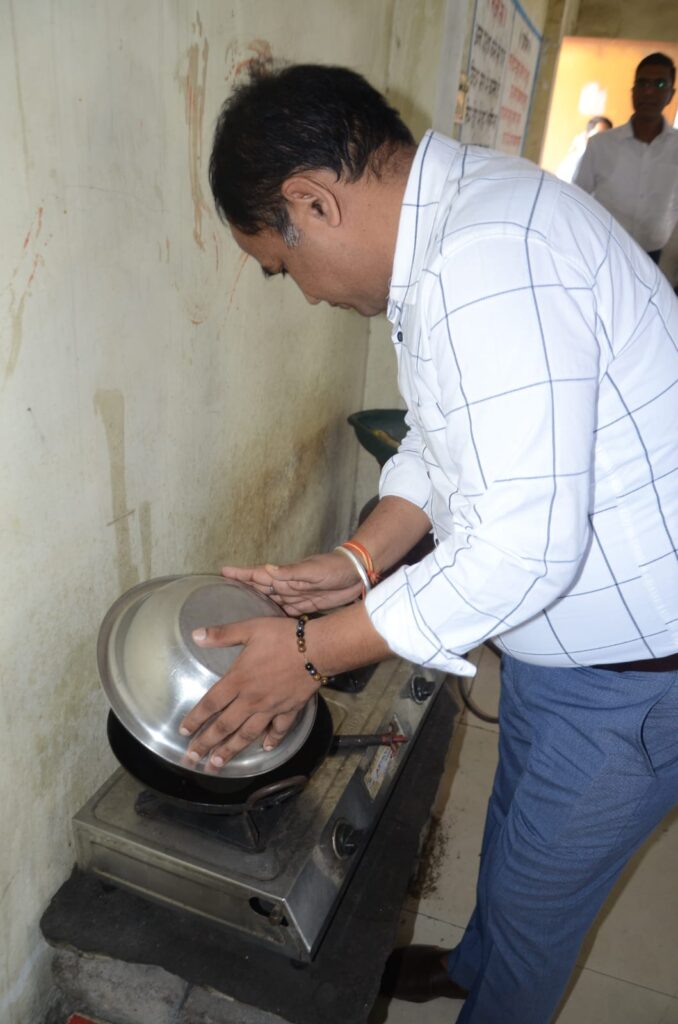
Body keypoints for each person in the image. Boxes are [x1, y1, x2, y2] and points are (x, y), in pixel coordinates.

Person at [178, 64, 678, 1024]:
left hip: (633, 675)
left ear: (312, 202)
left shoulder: (487, 260)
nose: (305, 295)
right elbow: (445, 440)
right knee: (517, 839)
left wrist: (311, 652)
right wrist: (359, 560)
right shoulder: (461, 225)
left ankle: (499, 985)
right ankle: (473, 962)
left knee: (540, 915)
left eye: (282, 267)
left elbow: (523, 550)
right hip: (571, 652)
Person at [574, 52, 678, 263]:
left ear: (671, 94)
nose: (648, 91)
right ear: (633, 91)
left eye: (659, 84)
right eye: (642, 83)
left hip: (655, 256)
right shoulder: (600, 145)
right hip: (602, 249)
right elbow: (577, 196)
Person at [555, 115, 612, 183]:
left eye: (606, 136)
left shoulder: (608, 164)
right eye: (598, 134)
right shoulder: (573, 158)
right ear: (587, 134)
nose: (602, 140)